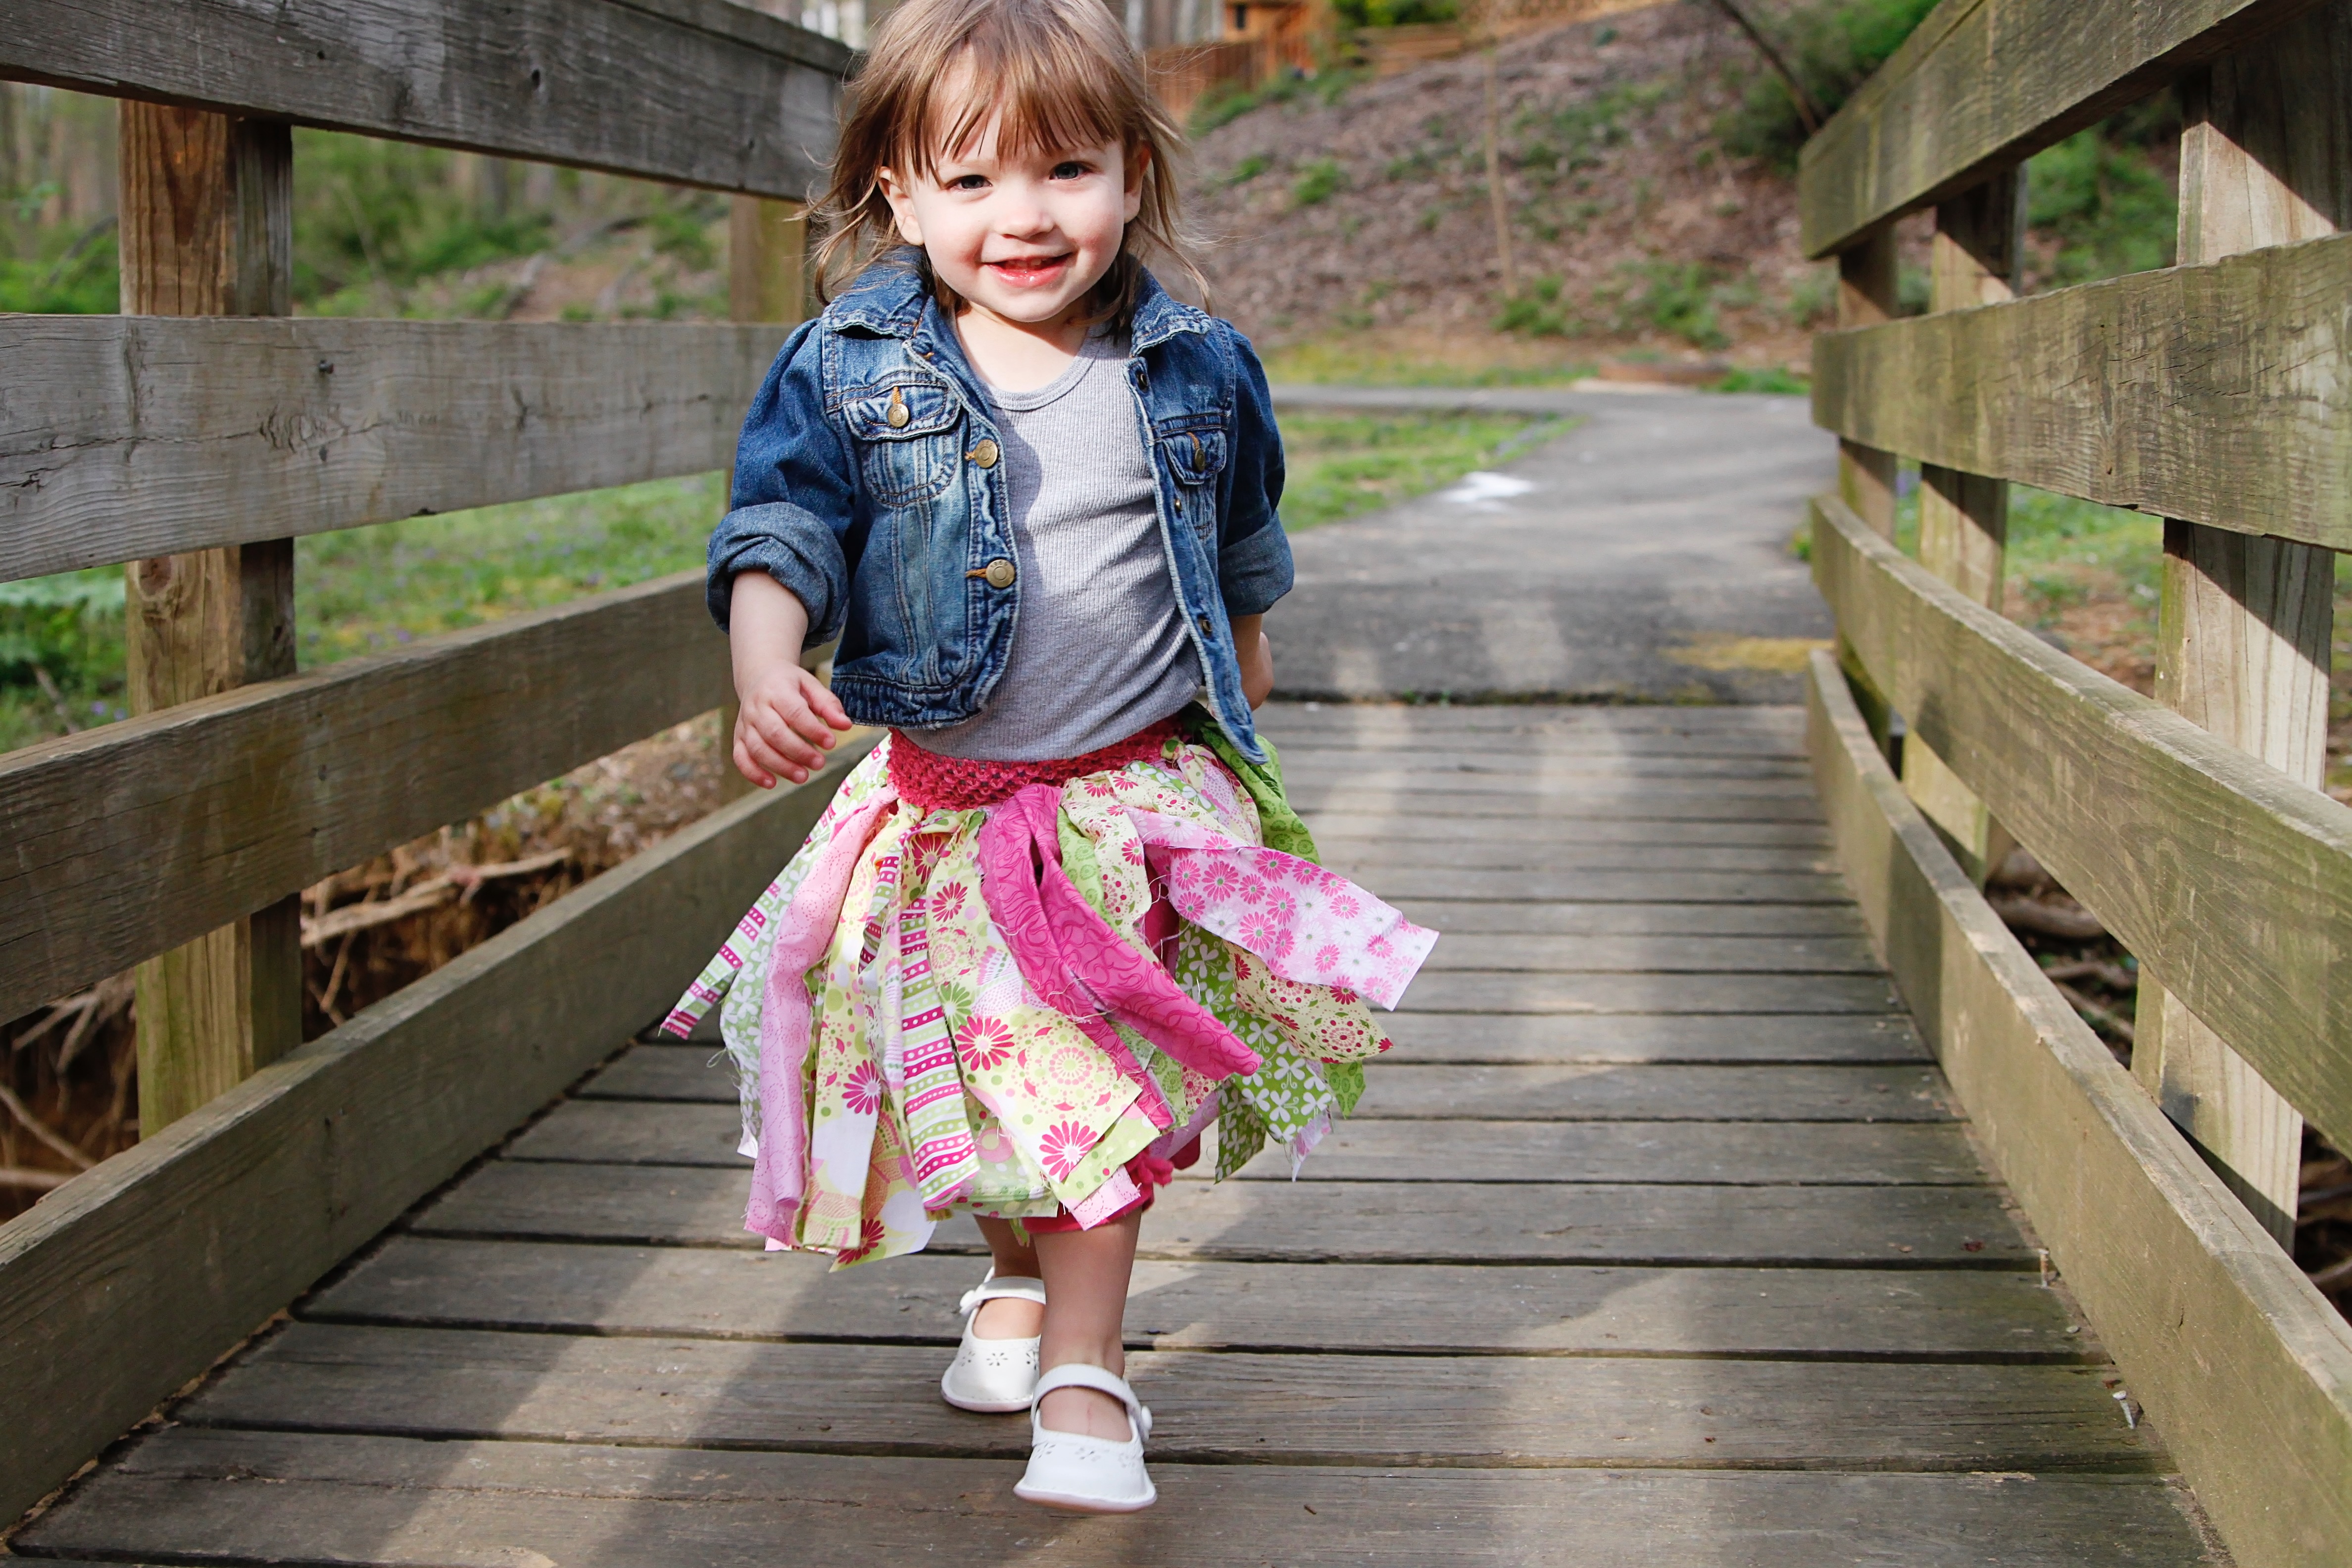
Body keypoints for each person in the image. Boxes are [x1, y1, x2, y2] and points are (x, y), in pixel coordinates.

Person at [661, 0, 1434, 1515]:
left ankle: (1087, 1374)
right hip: (944, 813)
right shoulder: (849, 366)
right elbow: (784, 527)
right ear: (899, 197)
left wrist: (1246, 676)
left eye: (1067, 170)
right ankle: (1014, 1281)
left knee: (1088, 1070)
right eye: (972, 179)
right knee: (979, 1078)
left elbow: (1241, 532)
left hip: (1129, 805)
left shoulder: (1195, 364)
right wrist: (765, 663)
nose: (1023, 216)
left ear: (1134, 177)